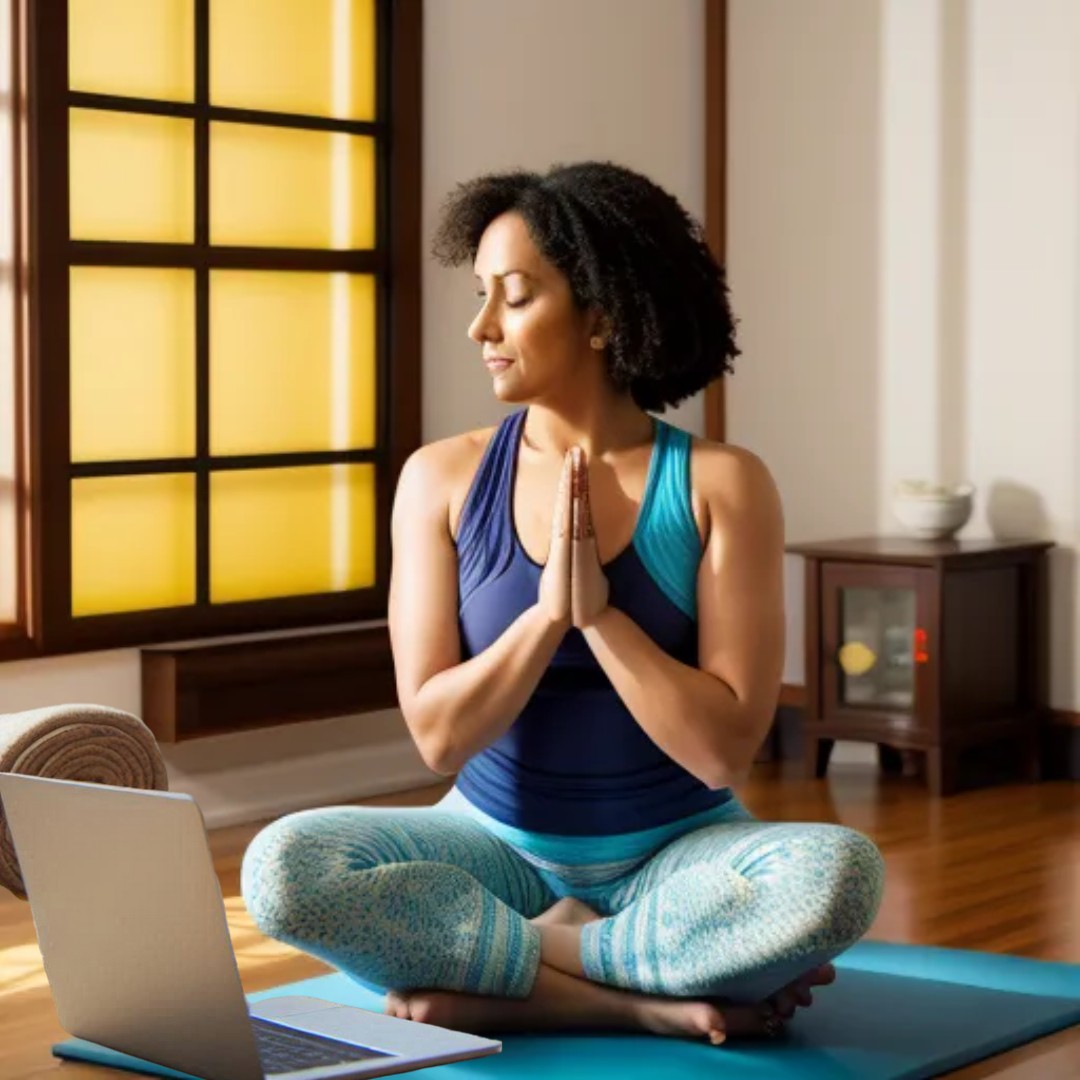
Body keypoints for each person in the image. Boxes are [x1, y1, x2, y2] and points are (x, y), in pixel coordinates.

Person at [241, 161, 885, 1046]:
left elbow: (724, 753)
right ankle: (626, 994)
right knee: (284, 867)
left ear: (602, 315)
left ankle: (520, 972)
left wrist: (601, 619)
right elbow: (438, 738)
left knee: (835, 877)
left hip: (676, 853)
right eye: (481, 296)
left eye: (513, 297)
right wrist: (544, 617)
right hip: (489, 847)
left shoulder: (719, 484)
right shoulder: (442, 478)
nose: (480, 327)